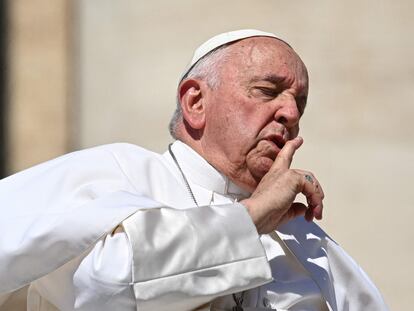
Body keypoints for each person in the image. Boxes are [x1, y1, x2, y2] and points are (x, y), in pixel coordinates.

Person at [0, 29, 388, 311]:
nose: (289, 114)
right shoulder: (115, 173)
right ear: (195, 102)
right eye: (268, 92)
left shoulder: (309, 244)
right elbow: (104, 289)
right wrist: (250, 220)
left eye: (298, 104)